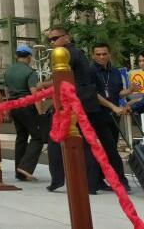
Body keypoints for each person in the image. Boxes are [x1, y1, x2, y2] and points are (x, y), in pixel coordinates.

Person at [43, 26, 130, 194]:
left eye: (55, 39)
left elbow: (61, 79)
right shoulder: (83, 60)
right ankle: (92, 183)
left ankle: (62, 180)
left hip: (81, 106)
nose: (52, 42)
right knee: (90, 145)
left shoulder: (66, 54)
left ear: (66, 37)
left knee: (59, 141)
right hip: (92, 107)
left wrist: (43, 86)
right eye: (50, 40)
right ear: (92, 55)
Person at [89, 42, 131, 192]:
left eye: (104, 54)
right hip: (97, 114)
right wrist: (113, 106)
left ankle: (99, 180)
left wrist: (130, 91)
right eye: (98, 54)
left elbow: (117, 92)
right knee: (111, 149)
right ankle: (121, 181)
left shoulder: (114, 72)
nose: (101, 57)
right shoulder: (90, 71)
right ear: (93, 55)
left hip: (113, 115)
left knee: (109, 148)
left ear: (109, 54)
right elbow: (95, 94)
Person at [4, 45, 44, 181]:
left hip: (14, 106)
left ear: (17, 56)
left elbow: (7, 91)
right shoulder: (30, 71)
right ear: (29, 57)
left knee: (21, 137)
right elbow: (35, 94)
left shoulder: (8, 71)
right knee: (38, 137)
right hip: (27, 106)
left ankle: (19, 172)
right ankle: (26, 167)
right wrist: (40, 114)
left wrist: (8, 109)